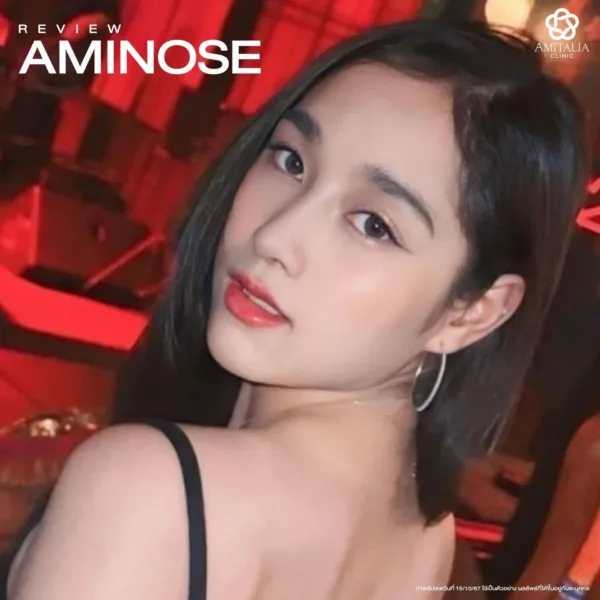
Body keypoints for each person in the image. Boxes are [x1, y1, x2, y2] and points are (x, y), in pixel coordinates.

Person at [2, 18, 589, 600]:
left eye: (373, 225)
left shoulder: (150, 491)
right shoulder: (428, 540)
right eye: (291, 161)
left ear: (472, 313)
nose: (276, 235)